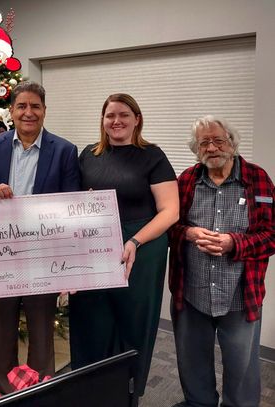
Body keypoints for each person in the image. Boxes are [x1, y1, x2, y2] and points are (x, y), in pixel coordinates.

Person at [0, 81, 81, 396]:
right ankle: (2, 390)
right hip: (0, 254)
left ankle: (40, 388)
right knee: (1, 326)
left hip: (42, 256)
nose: (28, 113)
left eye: (35, 106)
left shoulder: (64, 150)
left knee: (42, 326)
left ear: (44, 111)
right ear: (12, 111)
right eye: (21, 106)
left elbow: (71, 203)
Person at [68, 93, 179, 405]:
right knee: (90, 320)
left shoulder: (152, 156)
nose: (116, 121)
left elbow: (170, 211)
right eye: (110, 115)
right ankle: (89, 390)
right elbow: (73, 202)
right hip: (95, 245)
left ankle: (127, 393)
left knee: (132, 323)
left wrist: (134, 241)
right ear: (102, 120)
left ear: (137, 119)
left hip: (141, 247)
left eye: (124, 115)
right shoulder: (89, 154)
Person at [169, 116, 275, 407]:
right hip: (191, 294)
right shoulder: (186, 181)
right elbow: (168, 226)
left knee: (242, 370)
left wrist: (234, 243)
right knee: (192, 363)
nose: (212, 147)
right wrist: (188, 232)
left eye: (218, 140)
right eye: (204, 142)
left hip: (240, 296)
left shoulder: (258, 179)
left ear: (231, 142)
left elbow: (271, 235)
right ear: (196, 149)